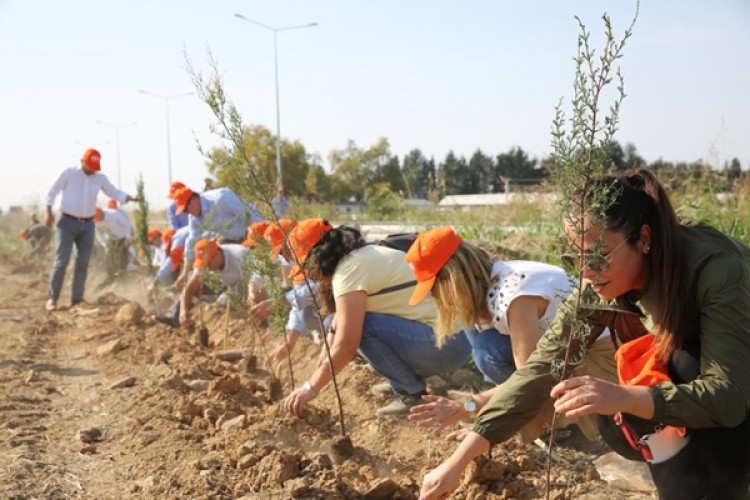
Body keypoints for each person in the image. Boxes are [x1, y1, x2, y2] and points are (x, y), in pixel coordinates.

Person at [419, 168, 750, 500]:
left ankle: (725, 483)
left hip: (735, 385)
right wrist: (458, 461)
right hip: (716, 389)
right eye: (577, 259)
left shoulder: (715, 270)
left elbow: (728, 396)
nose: (587, 272)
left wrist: (623, 396)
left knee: (681, 370)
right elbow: (539, 370)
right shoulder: (597, 288)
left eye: (597, 255)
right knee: (619, 417)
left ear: (644, 239)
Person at [403, 227, 611, 441]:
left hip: (599, 364)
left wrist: (469, 409)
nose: (436, 298)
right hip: (569, 354)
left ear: (452, 279)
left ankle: (565, 425)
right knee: (483, 338)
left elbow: (530, 379)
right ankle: (524, 416)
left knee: (489, 350)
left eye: (435, 290)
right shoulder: (494, 280)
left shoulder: (515, 297)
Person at [282, 219, 471, 417]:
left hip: (447, 345)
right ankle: (406, 379)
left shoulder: (349, 272)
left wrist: (310, 388)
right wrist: (327, 348)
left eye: (308, 268)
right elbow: (339, 320)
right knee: (354, 324)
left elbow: (347, 343)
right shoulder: (358, 258)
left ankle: (410, 392)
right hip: (452, 339)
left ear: (319, 257)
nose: (311, 276)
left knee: (363, 327)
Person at [43, 148, 138, 311]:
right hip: (67, 222)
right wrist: (48, 212)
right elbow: (51, 192)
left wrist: (129, 197)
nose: (93, 170)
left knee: (83, 262)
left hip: (87, 225)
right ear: (82, 162)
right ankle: (53, 298)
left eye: (95, 167)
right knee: (62, 261)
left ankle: (77, 299)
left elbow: (113, 191)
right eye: (90, 166)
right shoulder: (68, 173)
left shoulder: (100, 178)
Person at [171, 186, 263, 289]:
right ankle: (232, 292)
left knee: (256, 271)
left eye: (186, 210)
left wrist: (260, 241)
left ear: (193, 200)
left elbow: (251, 216)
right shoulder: (193, 218)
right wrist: (184, 274)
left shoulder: (221, 198)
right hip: (230, 240)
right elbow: (191, 243)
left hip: (250, 234)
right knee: (221, 265)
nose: (187, 213)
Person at [155, 238, 252, 329]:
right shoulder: (206, 260)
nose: (206, 267)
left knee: (227, 299)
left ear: (217, 255)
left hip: (243, 285)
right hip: (222, 282)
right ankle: (175, 318)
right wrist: (183, 311)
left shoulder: (240, 256)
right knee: (197, 283)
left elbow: (254, 285)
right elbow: (191, 286)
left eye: (208, 264)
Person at [94, 199, 134, 276]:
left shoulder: (114, 214)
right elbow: (99, 234)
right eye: (96, 220)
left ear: (101, 214)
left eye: (98, 219)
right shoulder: (96, 222)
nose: (98, 221)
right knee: (109, 257)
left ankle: (123, 275)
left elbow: (126, 225)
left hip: (123, 237)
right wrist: (105, 245)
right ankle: (111, 275)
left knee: (123, 257)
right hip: (111, 239)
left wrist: (128, 238)